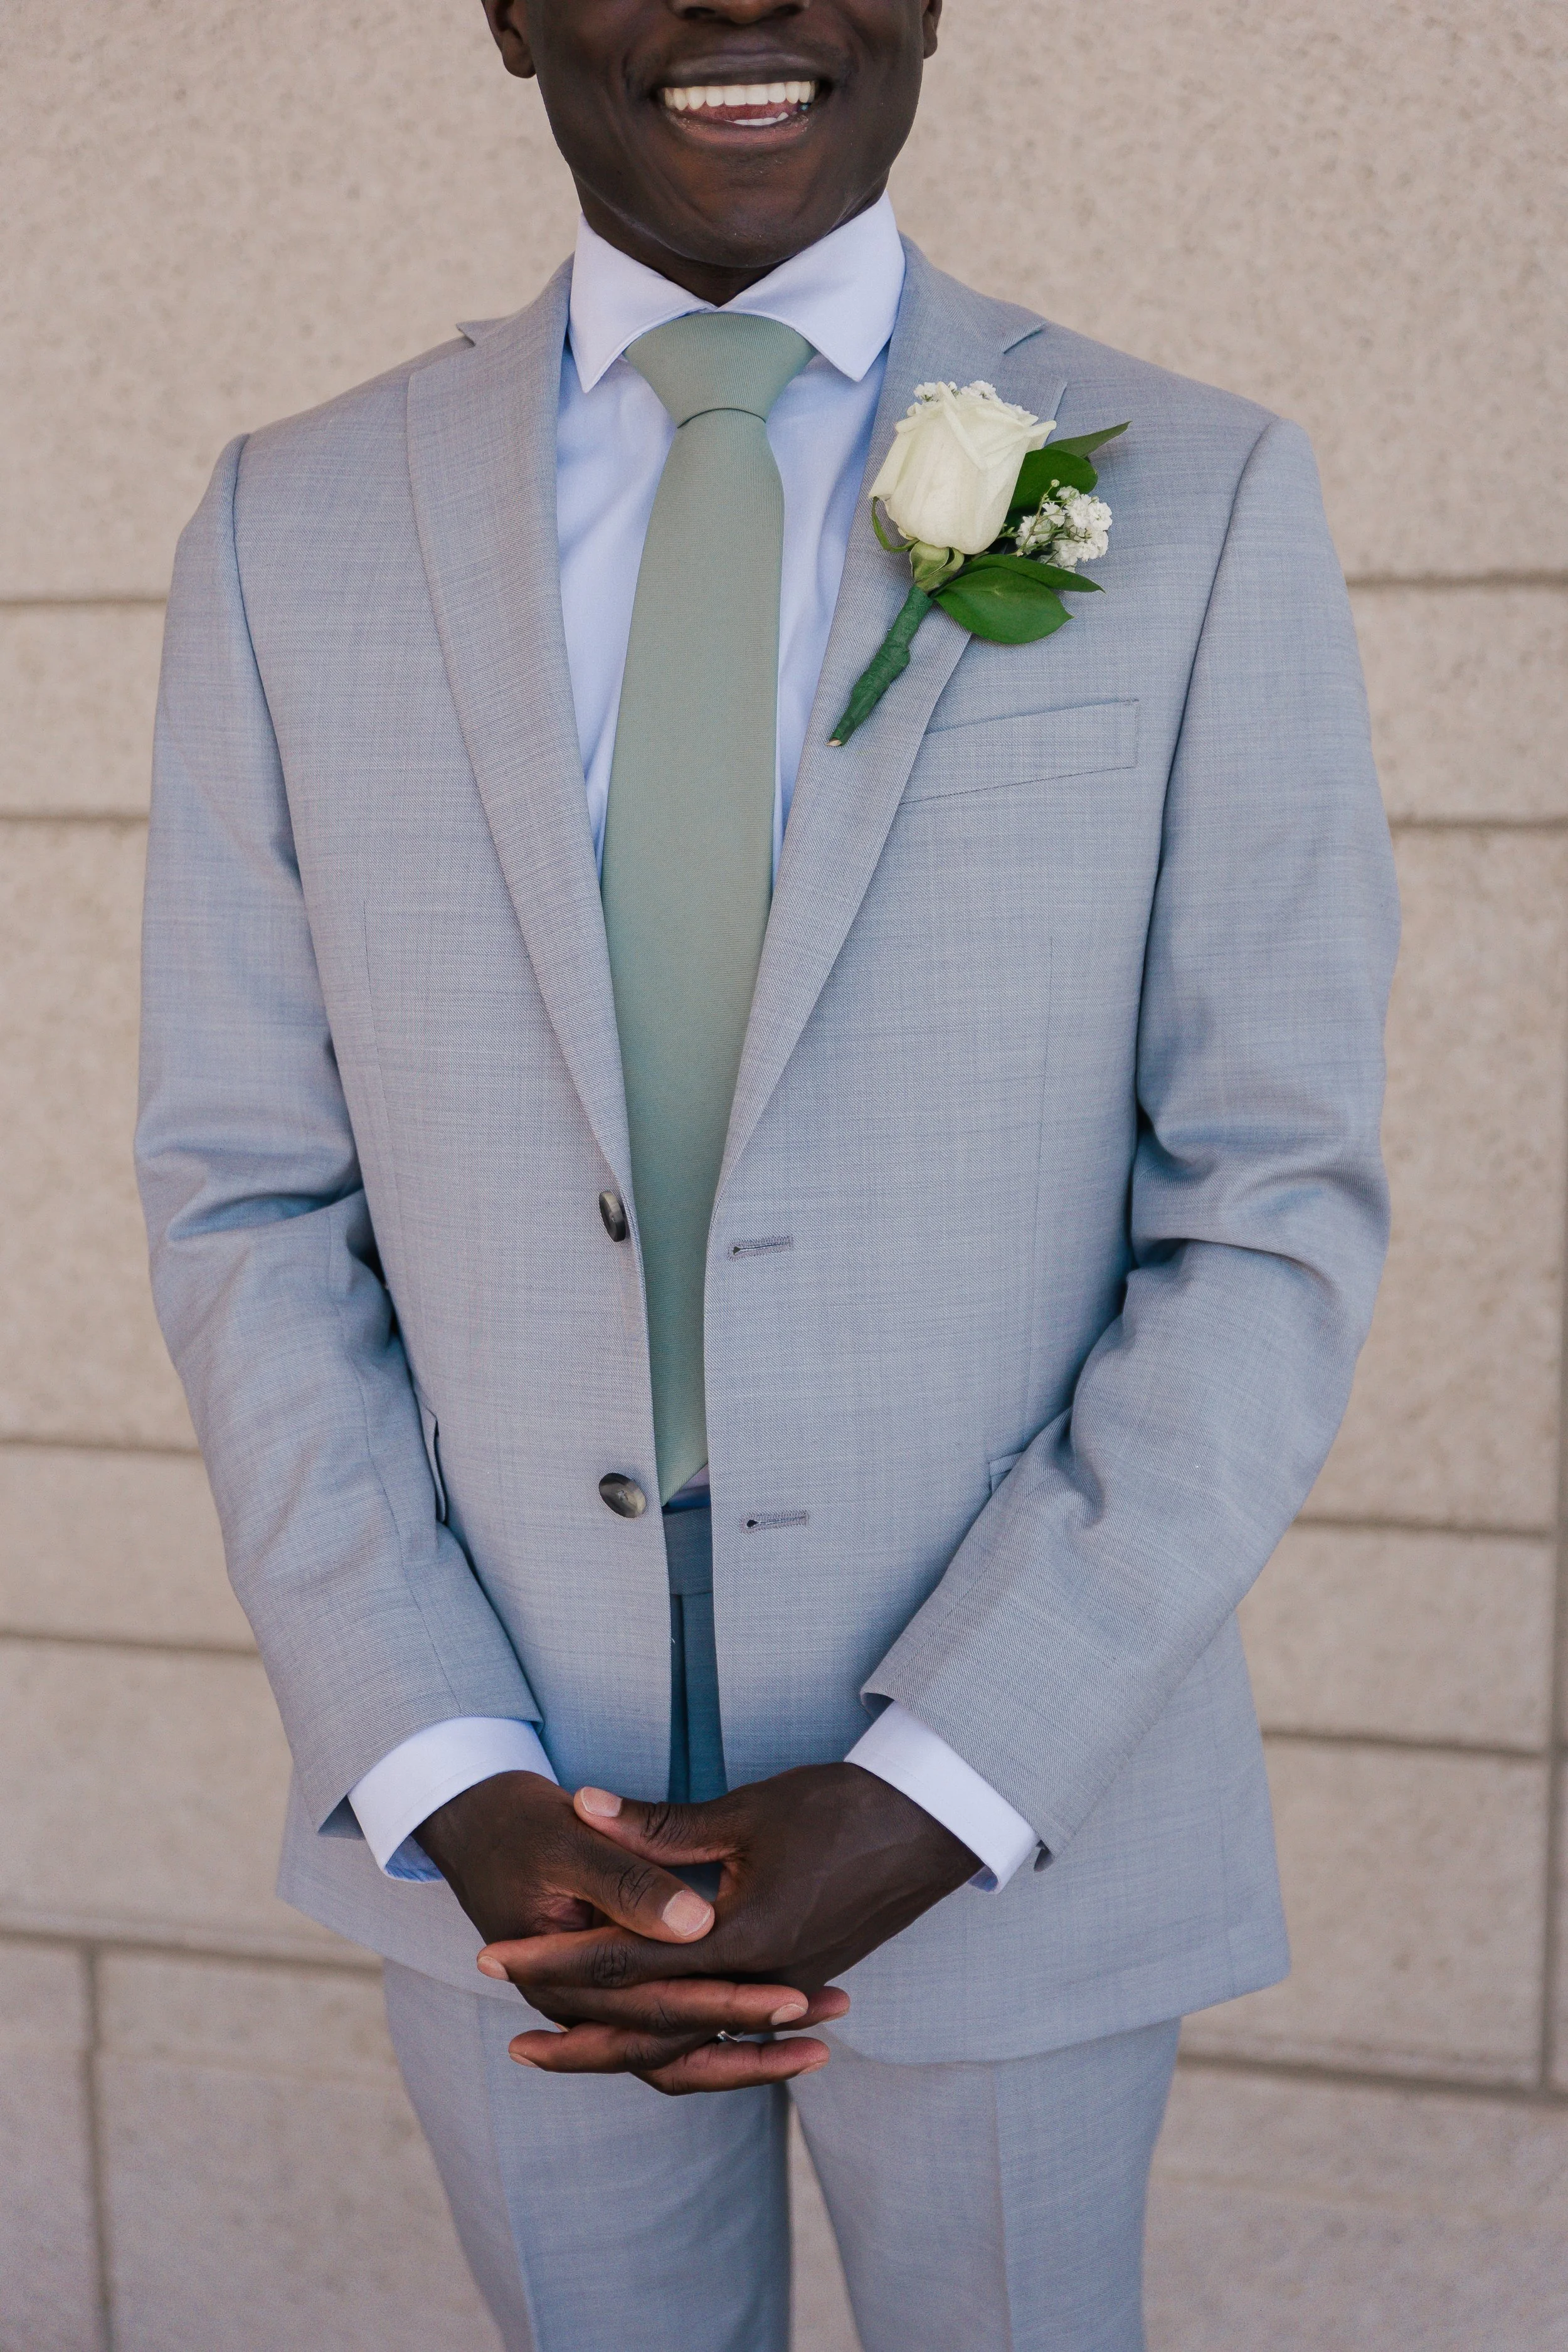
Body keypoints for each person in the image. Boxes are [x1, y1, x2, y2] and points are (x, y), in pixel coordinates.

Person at [135, 2, 1398, 2346]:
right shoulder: (285, 522)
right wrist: (440, 1759)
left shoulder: (1196, 493)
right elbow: (244, 1202)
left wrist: (943, 1774)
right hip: (514, 1828)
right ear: (508, 13)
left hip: (1017, 1809)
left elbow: (1270, 1204)